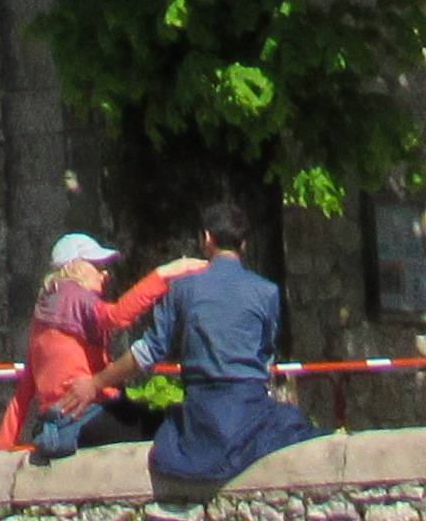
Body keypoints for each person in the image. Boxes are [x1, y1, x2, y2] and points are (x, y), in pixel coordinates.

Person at [134, 208, 319, 487]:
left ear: (206, 238)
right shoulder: (267, 291)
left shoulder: (182, 287)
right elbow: (266, 349)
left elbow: (151, 348)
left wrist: (98, 381)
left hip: (201, 412)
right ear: (243, 244)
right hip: (248, 408)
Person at [0, 232, 184, 457]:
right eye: (96, 266)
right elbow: (116, 316)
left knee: (153, 417)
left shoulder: (45, 310)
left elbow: (28, 382)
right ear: (75, 267)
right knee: (174, 422)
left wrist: (3, 440)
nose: (104, 274)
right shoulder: (72, 293)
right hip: (83, 416)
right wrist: (163, 275)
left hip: (59, 422)